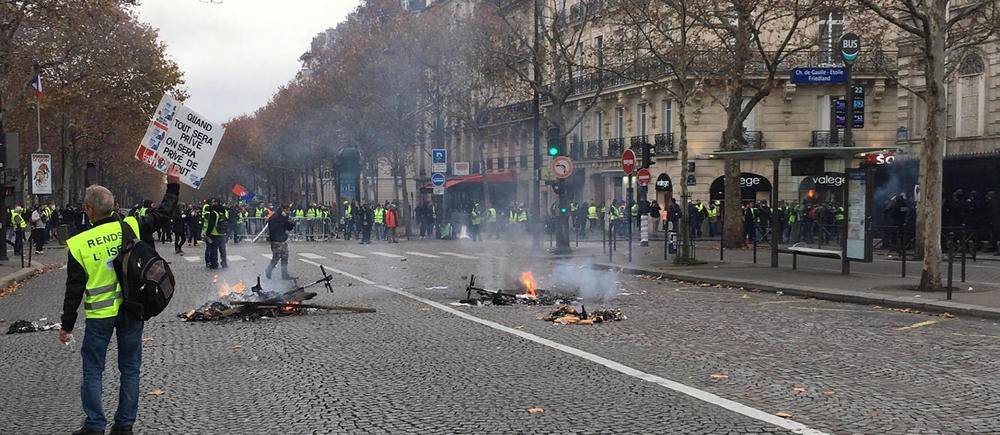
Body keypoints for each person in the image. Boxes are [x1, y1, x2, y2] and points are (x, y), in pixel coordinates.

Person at [59, 165, 180, 435]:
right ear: (112, 208)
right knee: (130, 369)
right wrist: (172, 185)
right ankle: (124, 425)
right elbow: (163, 214)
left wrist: (66, 325)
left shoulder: (79, 243)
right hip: (132, 309)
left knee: (93, 370)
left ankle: (94, 425)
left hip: (99, 316)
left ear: (89, 210)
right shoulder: (131, 225)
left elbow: (73, 290)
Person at [265, 204, 296, 280]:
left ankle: (284, 275)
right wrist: (284, 223)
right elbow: (274, 228)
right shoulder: (275, 217)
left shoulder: (283, 217)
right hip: (276, 241)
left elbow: (288, 227)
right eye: (287, 210)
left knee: (285, 257)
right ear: (283, 209)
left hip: (283, 240)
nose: (288, 212)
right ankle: (268, 270)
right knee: (276, 257)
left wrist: (292, 224)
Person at [203, 199, 228, 269]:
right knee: (223, 250)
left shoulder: (214, 212)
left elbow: (211, 224)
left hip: (215, 234)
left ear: (216, 203)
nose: (212, 203)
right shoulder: (224, 211)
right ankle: (224, 263)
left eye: (213, 202)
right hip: (223, 234)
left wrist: (207, 234)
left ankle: (214, 264)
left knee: (214, 250)